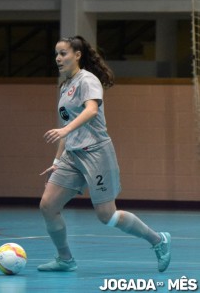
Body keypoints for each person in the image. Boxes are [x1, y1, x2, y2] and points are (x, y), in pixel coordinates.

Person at [38, 36, 171, 273]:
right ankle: (65, 259)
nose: (58, 58)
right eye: (56, 54)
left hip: (96, 153)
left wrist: (65, 129)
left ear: (77, 55)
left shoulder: (88, 80)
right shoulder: (66, 85)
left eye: (63, 53)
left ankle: (158, 240)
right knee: (48, 205)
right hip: (72, 155)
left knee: (106, 216)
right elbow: (68, 126)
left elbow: (90, 110)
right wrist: (57, 161)